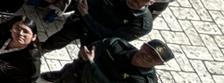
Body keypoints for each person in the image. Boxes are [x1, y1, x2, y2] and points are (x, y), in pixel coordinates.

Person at [40, 0, 159, 52]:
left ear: (151, 3)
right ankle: (42, 49)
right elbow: (86, 3)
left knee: (83, 61)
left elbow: (110, 36)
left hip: (98, 40)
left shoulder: (142, 25)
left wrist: (86, 16)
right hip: (82, 23)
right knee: (59, 38)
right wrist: (84, 15)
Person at [41, 37, 175, 83]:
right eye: (148, 50)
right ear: (143, 45)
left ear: (159, 64)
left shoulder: (144, 81)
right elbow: (90, 51)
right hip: (77, 74)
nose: (147, 56)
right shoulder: (116, 45)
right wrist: (81, 63)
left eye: (154, 57)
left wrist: (91, 63)